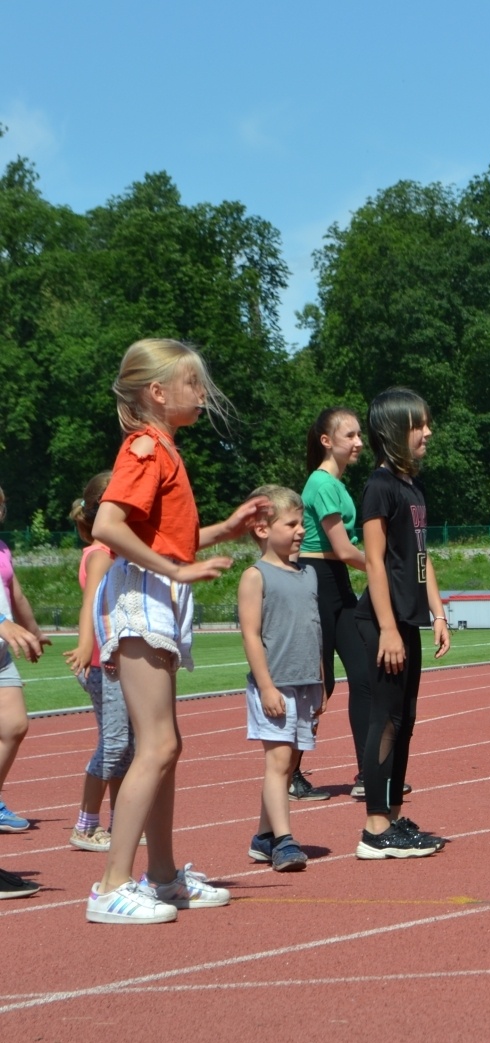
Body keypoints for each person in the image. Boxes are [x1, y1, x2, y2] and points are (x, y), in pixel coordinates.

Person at [87, 338, 267, 923]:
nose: (203, 394)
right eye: (193, 383)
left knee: (168, 745)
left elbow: (170, 538)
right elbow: (109, 525)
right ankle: (112, 884)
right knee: (158, 744)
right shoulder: (144, 446)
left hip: (157, 593)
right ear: (157, 393)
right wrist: (175, 569)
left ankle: (161, 876)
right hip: (142, 595)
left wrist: (226, 530)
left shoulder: (163, 449)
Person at [354, 387, 450, 859]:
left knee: (405, 719)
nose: (428, 432)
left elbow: (419, 556)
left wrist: (438, 610)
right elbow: (374, 562)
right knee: (385, 719)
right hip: (381, 620)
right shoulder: (378, 487)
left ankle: (391, 815)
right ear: (394, 431)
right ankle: (374, 826)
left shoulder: (412, 488)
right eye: (419, 425)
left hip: (408, 617)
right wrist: (388, 627)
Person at [241, 485, 323, 873]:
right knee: (277, 763)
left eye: (301, 522)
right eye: (291, 523)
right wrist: (267, 686)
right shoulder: (255, 577)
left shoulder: (308, 575)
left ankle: (262, 836)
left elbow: (314, 628)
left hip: (305, 683)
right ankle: (285, 842)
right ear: (261, 528)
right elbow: (251, 636)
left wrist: (320, 679)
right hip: (274, 685)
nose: (300, 530)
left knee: (288, 762)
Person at [297, 407, 374, 802]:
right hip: (315, 581)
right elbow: (344, 549)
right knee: (318, 685)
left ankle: (367, 772)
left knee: (363, 676)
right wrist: (384, 567)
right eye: (350, 436)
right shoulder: (322, 483)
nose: (359, 442)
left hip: (337, 584)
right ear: (327, 441)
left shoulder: (338, 485)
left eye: (359, 435)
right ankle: (290, 772)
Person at [65, 472, 131, 852]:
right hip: (103, 664)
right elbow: (91, 604)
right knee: (114, 743)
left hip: (119, 660)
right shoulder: (101, 555)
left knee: (127, 746)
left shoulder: (116, 553)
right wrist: (88, 648)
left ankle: (119, 821)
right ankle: (86, 825)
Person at [0, 484, 47, 837]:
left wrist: (32, 630)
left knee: (15, 725)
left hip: (2, 655)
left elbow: (15, 593)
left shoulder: (2, 549)